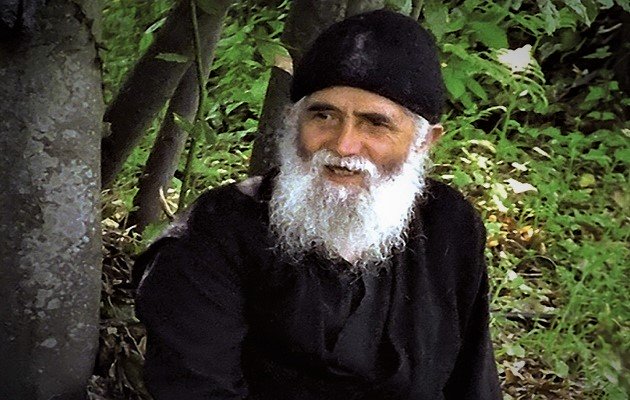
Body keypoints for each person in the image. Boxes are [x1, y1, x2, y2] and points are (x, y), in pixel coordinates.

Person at [135, 9, 502, 400]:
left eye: (375, 123)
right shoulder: (218, 231)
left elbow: (473, 383)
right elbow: (196, 389)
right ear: (294, 122)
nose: (344, 145)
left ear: (424, 141)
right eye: (323, 116)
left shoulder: (450, 225)